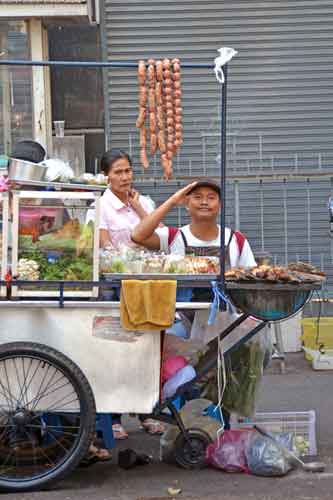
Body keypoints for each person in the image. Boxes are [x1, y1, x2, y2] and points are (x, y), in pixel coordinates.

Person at [98, 149, 165, 438]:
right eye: (118, 172)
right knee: (117, 348)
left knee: (146, 348)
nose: (124, 177)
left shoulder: (144, 201)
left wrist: (138, 208)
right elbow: (103, 246)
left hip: (148, 282)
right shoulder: (100, 205)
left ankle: (146, 412)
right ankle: (113, 417)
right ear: (106, 176)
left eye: (128, 171)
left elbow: (161, 238)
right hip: (117, 285)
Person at [131, 178, 256, 268]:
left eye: (211, 198)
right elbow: (137, 236)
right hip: (184, 304)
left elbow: (251, 276)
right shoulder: (173, 237)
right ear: (186, 204)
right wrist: (172, 201)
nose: (204, 202)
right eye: (197, 197)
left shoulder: (236, 240)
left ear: (220, 205)